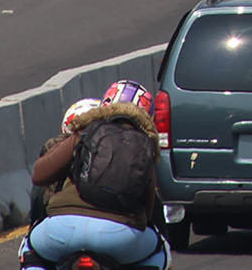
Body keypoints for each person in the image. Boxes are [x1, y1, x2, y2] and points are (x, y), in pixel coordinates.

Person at [21, 80, 170, 269]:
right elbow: (150, 209)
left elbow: (40, 176)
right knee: (161, 251)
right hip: (118, 237)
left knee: (30, 249)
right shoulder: (144, 147)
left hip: (64, 228)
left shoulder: (85, 133)